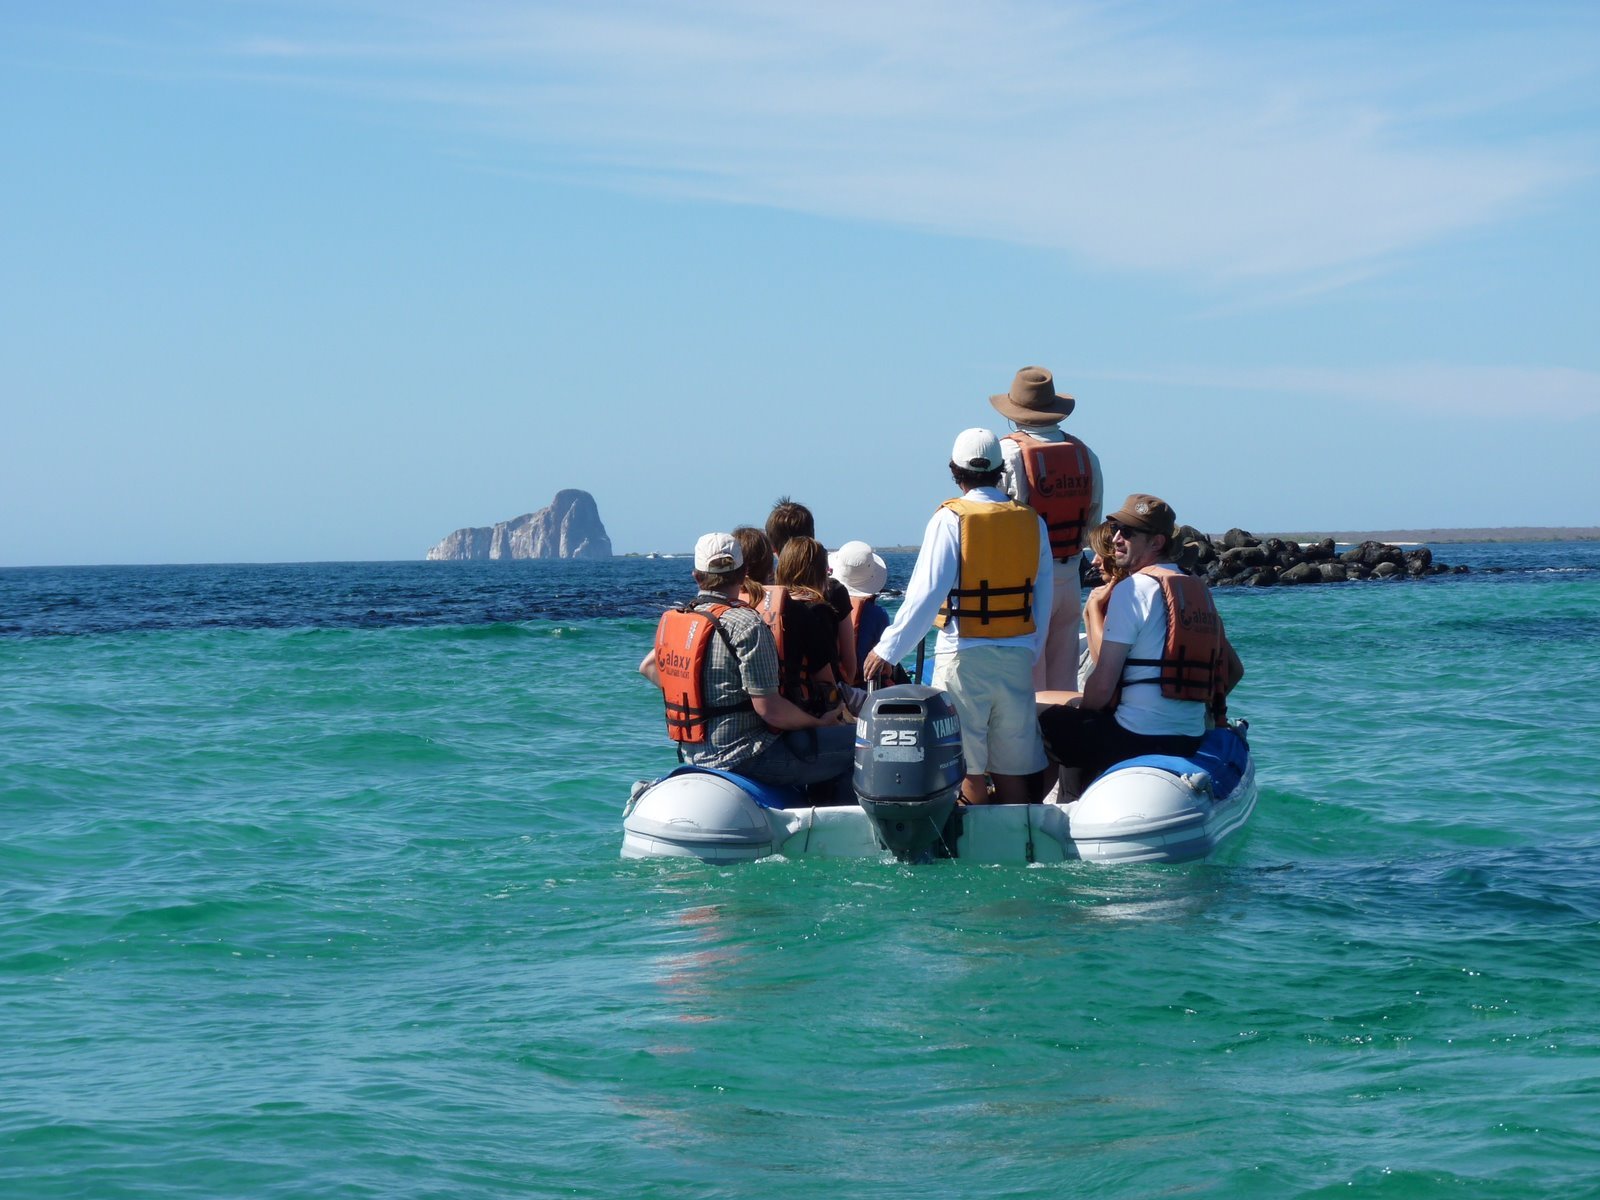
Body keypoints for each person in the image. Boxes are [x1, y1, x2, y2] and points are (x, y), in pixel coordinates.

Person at [862, 429, 1053, 806]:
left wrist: (888, 650)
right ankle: (1016, 847)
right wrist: (1031, 648)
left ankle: (978, 853)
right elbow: (1043, 597)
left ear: (955, 471)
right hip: (1016, 654)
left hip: (963, 653)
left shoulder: (951, 519)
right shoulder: (1032, 521)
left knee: (967, 765)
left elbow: (925, 594)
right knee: (1011, 767)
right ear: (999, 470)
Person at [1037, 495, 1242, 796]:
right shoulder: (1197, 590)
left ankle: (1056, 807)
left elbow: (1102, 688)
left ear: (1157, 542)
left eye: (1128, 533)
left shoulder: (1133, 589)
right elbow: (1233, 672)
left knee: (1041, 718)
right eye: (1117, 529)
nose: (1117, 539)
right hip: (1189, 736)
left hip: (1136, 737)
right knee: (1074, 716)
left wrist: (1083, 711)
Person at [639, 532, 856, 802]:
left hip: (692, 753)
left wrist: (704, 691)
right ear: (743, 574)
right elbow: (771, 710)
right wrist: (820, 723)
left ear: (696, 575)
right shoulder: (747, 624)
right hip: (748, 756)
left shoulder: (679, 620)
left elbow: (647, 668)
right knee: (861, 746)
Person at [990, 366, 1104, 692]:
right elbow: (1092, 523)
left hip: (1026, 578)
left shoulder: (1008, 453)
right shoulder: (1085, 455)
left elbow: (995, 518)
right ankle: (1060, 738)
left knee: (1027, 679)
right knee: (1063, 677)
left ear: (1015, 412)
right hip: (1069, 574)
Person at [766, 497, 857, 687]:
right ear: (812, 539)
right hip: (823, 701)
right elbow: (850, 669)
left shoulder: (763, 594)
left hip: (779, 696)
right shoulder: (834, 591)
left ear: (773, 548)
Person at [764, 536, 847, 715]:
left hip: (777, 704)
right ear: (819, 573)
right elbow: (827, 681)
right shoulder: (817, 612)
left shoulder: (769, 609)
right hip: (808, 708)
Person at [828, 541, 890, 686]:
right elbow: (887, 666)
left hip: (834, 684)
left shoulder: (825, 608)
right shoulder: (879, 615)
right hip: (864, 687)